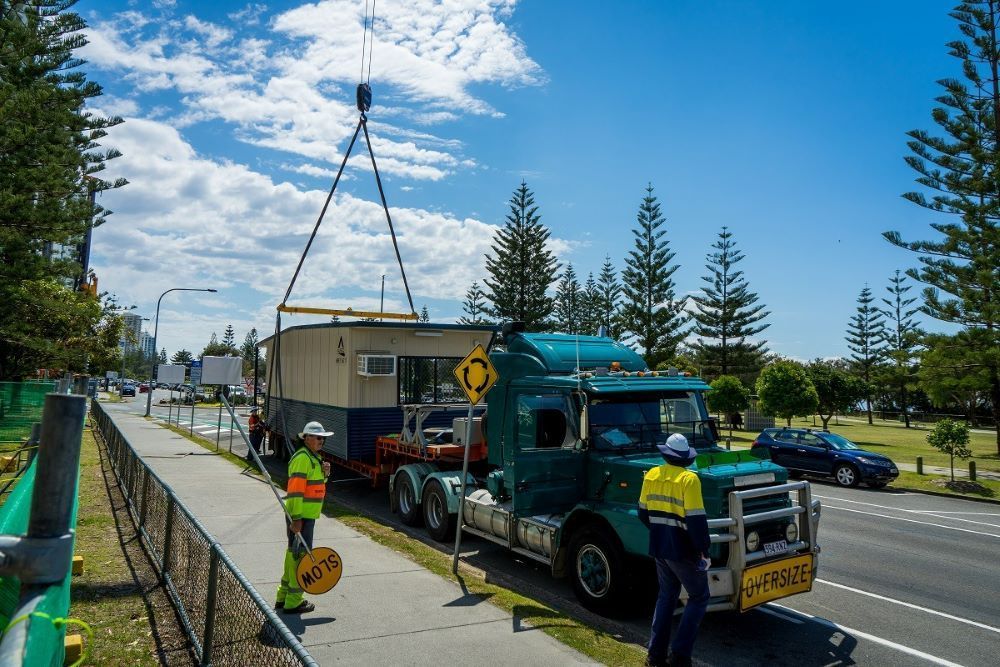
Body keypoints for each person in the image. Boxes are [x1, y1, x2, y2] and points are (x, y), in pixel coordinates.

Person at [638, 433, 711, 667]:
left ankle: (655, 655)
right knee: (699, 597)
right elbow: (696, 521)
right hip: (683, 551)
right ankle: (679, 655)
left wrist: (661, 530)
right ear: (685, 458)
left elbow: (642, 512)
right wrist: (703, 550)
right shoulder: (689, 480)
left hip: (660, 547)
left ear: (666, 455)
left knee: (665, 597)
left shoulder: (651, 474)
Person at [275, 421, 333, 614]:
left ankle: (283, 597)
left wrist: (325, 475)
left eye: (323, 438)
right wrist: (297, 518)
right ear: (306, 438)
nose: (321, 441)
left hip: (306, 516)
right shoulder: (303, 458)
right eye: (318, 437)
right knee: (300, 558)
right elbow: (295, 491)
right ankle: (294, 601)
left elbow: (313, 486)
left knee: (293, 553)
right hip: (302, 517)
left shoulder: (312, 457)